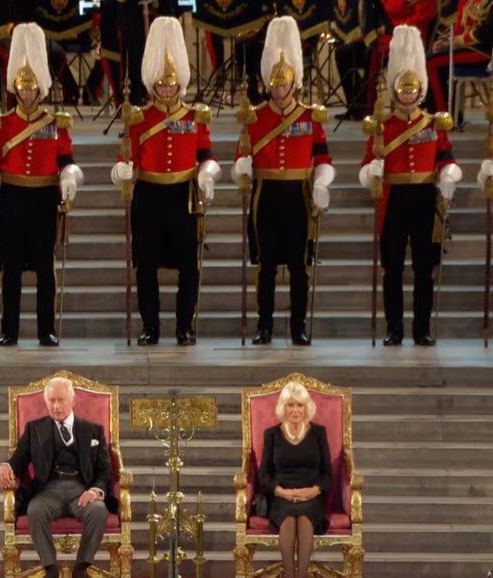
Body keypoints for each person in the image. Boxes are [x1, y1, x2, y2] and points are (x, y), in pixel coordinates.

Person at [110, 16, 219, 346]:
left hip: (183, 197)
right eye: (162, 83)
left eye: (172, 84)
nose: (167, 88)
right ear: (153, 84)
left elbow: (207, 156)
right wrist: (122, 174)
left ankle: (184, 326)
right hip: (149, 198)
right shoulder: (139, 119)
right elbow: (123, 160)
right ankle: (151, 327)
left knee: (188, 267)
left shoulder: (194, 116)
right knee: (146, 268)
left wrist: (208, 174)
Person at [231, 16, 335, 346]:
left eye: (283, 84)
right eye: (274, 85)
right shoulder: (255, 117)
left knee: (299, 267)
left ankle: (297, 327)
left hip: (298, 197)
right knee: (266, 267)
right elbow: (240, 159)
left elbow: (324, 159)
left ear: (294, 83)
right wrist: (242, 168)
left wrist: (321, 183)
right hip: (267, 196)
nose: (278, 90)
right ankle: (264, 326)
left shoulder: (309, 116)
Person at [0, 23, 83, 347]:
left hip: (42, 199)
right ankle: (9, 330)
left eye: (32, 88)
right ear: (15, 88)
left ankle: (45, 330)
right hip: (11, 198)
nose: (27, 94)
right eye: (22, 89)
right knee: (10, 270)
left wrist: (69, 179)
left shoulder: (56, 123)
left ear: (41, 90)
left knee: (44, 269)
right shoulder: (1, 123)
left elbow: (68, 162)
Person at [359, 25, 461, 346]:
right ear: (394, 90)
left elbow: (447, 158)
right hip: (394, 199)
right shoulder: (382, 127)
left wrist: (448, 177)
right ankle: (394, 329)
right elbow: (366, 166)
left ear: (420, 90)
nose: (406, 94)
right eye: (402, 89)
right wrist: (372, 171)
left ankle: (421, 328)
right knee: (392, 268)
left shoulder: (433, 123)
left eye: (411, 88)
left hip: (423, 198)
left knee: (423, 269)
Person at [0, 377, 114, 578]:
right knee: (35, 510)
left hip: (81, 489)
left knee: (99, 511)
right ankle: (50, 568)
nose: (56, 406)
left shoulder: (93, 430)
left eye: (61, 400)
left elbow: (105, 469)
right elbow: (19, 458)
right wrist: (4, 466)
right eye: (51, 400)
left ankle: (81, 567)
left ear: (73, 401)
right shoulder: (35, 429)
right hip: (48, 490)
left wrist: (94, 490)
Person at [257, 381, 332, 578]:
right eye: (291, 405)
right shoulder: (272, 434)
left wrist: (312, 491)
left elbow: (327, 474)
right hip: (281, 495)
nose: (295, 410)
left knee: (305, 520)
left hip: (312, 495)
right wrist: (283, 492)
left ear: (306, 407)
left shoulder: (318, 433)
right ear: (283, 407)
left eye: (299, 405)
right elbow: (263, 476)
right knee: (288, 520)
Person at [425, 0, 493, 112]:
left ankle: (440, 113)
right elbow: (458, 30)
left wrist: (460, 40)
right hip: (465, 47)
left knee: (432, 62)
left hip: (485, 51)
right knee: (433, 56)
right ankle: (448, 111)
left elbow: (486, 32)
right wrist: (446, 42)